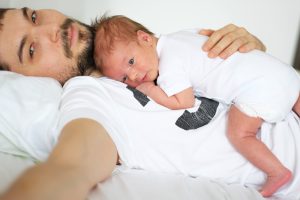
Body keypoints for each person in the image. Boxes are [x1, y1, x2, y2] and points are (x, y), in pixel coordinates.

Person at [0, 7, 277, 200]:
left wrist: (251, 47)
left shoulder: (148, 49)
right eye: (31, 50)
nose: (51, 30)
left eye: (34, 16)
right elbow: (71, 168)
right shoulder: (88, 96)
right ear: (22, 80)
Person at [93, 15, 300, 197]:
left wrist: (150, 90)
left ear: (145, 38)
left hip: (260, 91)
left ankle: (276, 172)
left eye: (130, 62)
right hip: (284, 74)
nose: (135, 76)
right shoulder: (181, 35)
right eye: (124, 78)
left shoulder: (168, 68)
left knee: (239, 133)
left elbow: (184, 101)